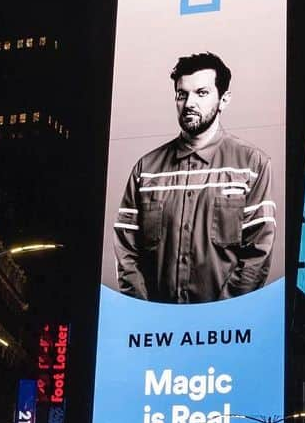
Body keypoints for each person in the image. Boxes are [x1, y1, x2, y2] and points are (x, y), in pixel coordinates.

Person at [113, 52, 275, 303]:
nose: (189, 103)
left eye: (201, 93)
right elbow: (126, 252)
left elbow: (258, 252)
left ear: (224, 99)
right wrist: (148, 314)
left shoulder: (252, 165)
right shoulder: (145, 169)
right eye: (182, 94)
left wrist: (219, 317)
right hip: (158, 333)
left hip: (224, 332)